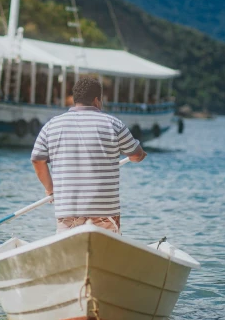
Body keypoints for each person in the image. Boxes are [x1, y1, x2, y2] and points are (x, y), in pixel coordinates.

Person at [31, 76, 147, 233]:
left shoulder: (51, 126)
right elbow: (136, 156)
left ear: (74, 99)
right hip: (105, 213)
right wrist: (139, 153)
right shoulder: (113, 124)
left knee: (70, 252)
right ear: (97, 100)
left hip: (68, 211)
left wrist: (50, 189)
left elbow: (37, 161)